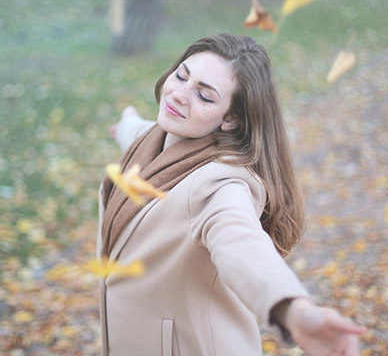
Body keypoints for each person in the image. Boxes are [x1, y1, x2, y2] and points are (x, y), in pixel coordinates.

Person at [99, 33, 365, 356]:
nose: (179, 95)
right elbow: (139, 134)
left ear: (230, 119)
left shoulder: (221, 184)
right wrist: (126, 123)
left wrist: (294, 311)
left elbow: (241, 244)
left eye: (205, 96)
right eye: (181, 75)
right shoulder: (153, 139)